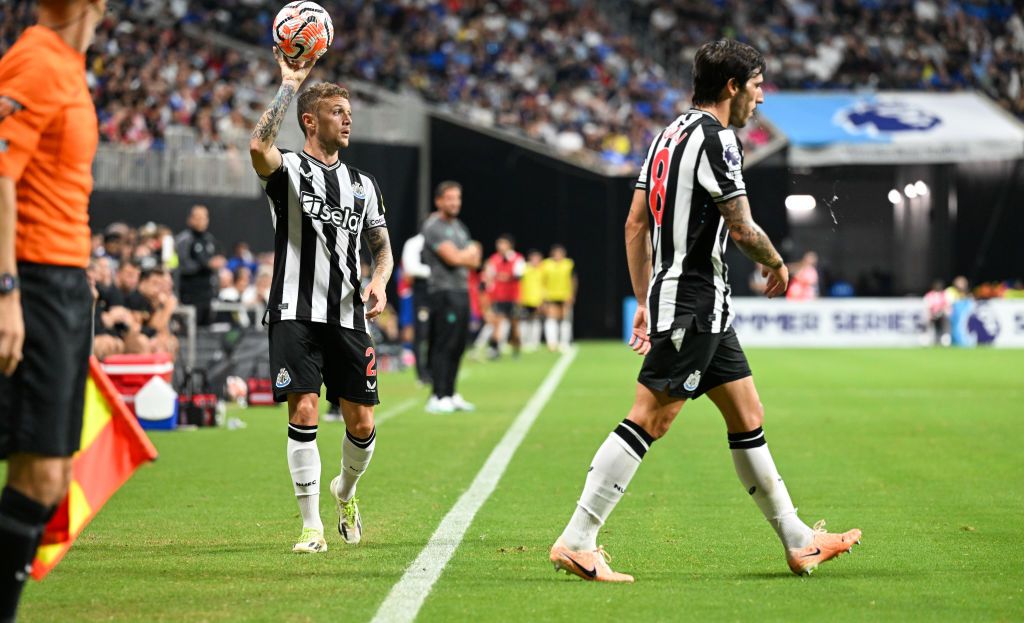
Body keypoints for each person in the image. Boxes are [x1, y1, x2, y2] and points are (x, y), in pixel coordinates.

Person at [549, 40, 860, 583]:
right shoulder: (718, 139)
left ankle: (798, 540)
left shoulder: (666, 137)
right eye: (758, 86)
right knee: (653, 415)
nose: (761, 99)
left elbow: (634, 224)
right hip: (694, 301)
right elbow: (740, 226)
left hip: (698, 304)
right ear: (733, 86)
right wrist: (778, 263)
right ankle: (577, 539)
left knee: (748, 415)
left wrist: (645, 299)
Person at [249, 47, 393, 553]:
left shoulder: (362, 185)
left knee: (362, 422)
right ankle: (310, 527)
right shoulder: (287, 169)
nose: (347, 120)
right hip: (293, 311)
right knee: (304, 410)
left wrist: (379, 280)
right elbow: (257, 147)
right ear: (311, 121)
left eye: (350, 114)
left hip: (350, 314)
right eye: (338, 113)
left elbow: (382, 246)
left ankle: (345, 492)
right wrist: (290, 83)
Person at [0, 1, 108, 619]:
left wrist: (79, 270)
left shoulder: (66, 65)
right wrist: (8, 292)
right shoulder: (37, 60)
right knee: (39, 475)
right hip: (32, 281)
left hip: (61, 280)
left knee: (49, 473)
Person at [421, 181, 481, 413]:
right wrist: (466, 254)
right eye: (450, 198)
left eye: (458, 198)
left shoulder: (459, 226)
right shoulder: (433, 225)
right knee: (443, 344)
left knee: (458, 345)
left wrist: (464, 255)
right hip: (443, 292)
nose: (455, 202)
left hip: (461, 291)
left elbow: (476, 260)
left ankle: (451, 392)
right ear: (439, 201)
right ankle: (437, 395)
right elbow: (454, 258)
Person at [175, 204, 223, 326]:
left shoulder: (209, 239)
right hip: (189, 294)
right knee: (190, 328)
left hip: (207, 293)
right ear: (190, 219)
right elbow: (182, 266)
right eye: (197, 217)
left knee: (206, 329)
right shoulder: (184, 239)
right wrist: (206, 264)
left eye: (204, 217)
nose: (201, 221)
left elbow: (215, 262)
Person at [482, 234, 525, 359]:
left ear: (509, 245)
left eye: (503, 243)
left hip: (513, 297)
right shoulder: (494, 259)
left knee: (515, 324)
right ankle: (495, 349)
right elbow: (489, 276)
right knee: (497, 323)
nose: (500, 246)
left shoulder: (517, 258)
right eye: (498, 244)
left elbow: (519, 275)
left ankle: (516, 349)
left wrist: (505, 277)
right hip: (499, 297)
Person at [400, 230, 432, 385]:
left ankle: (433, 370)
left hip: (438, 291)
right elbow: (410, 269)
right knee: (421, 333)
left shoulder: (440, 242)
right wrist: (435, 271)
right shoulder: (414, 243)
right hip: (422, 293)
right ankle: (422, 374)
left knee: (437, 332)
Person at [541, 244, 576, 351]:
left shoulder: (568, 264)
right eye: (556, 253)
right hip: (550, 296)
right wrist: (543, 296)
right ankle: (552, 342)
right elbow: (542, 281)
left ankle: (564, 342)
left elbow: (573, 279)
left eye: (560, 253)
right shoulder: (546, 264)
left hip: (565, 295)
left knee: (565, 319)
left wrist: (572, 294)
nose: (558, 255)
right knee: (551, 319)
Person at [518, 249, 545, 352]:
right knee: (524, 320)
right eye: (533, 258)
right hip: (525, 299)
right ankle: (523, 341)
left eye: (537, 258)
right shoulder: (524, 269)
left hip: (537, 300)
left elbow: (545, 285)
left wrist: (543, 299)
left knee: (536, 320)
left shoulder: (543, 270)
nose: (535, 260)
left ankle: (534, 341)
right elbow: (519, 283)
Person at [924, 280, 951, 346]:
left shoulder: (945, 294)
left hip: (942, 315)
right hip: (933, 315)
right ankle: (928, 340)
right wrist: (930, 315)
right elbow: (927, 307)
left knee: (945, 323)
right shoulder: (929, 295)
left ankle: (945, 340)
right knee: (929, 325)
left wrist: (942, 312)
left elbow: (948, 306)